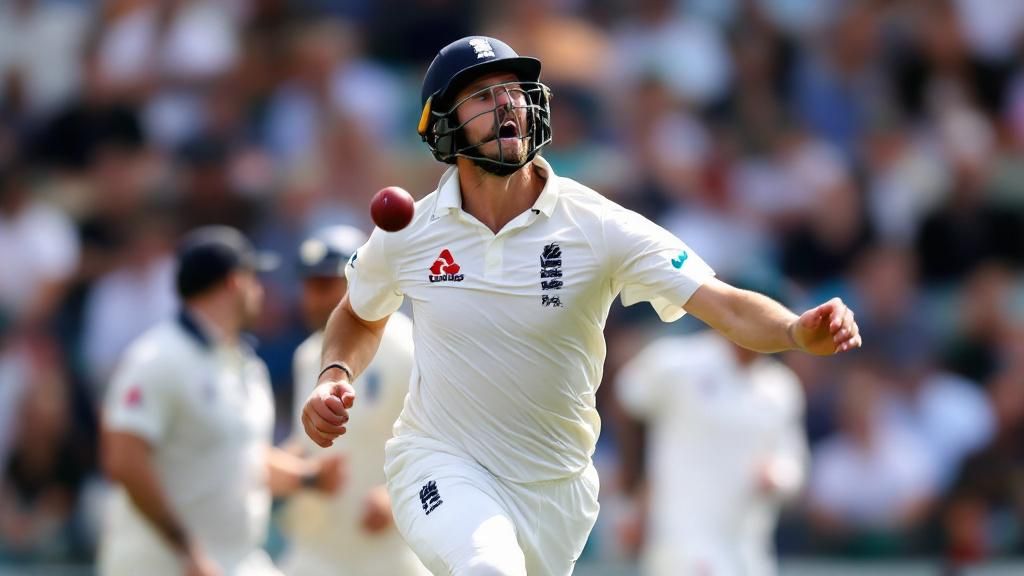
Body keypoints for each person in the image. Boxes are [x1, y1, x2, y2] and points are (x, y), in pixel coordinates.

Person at [302, 36, 862, 576]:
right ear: (443, 124)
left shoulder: (596, 224)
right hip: (439, 460)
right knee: (488, 566)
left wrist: (795, 329)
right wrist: (334, 375)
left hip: (557, 491)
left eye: (513, 90)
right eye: (481, 96)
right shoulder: (409, 231)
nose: (505, 104)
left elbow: (727, 306)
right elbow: (357, 313)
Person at [99, 226, 343, 576]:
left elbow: (242, 459)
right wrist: (186, 549)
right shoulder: (156, 359)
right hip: (163, 566)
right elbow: (124, 460)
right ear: (234, 282)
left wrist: (309, 478)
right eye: (254, 279)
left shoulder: (246, 364)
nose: (260, 291)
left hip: (235, 561)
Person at [280, 225, 428, 576]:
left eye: (325, 285)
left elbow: (443, 437)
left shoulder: (407, 345)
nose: (314, 299)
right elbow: (306, 445)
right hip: (317, 552)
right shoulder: (307, 356)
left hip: (389, 555)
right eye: (309, 286)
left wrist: (396, 497)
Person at [615, 328, 808, 576]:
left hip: (750, 551)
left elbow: (793, 464)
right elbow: (627, 402)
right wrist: (633, 498)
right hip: (683, 544)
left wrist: (778, 475)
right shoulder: (675, 362)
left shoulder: (781, 387)